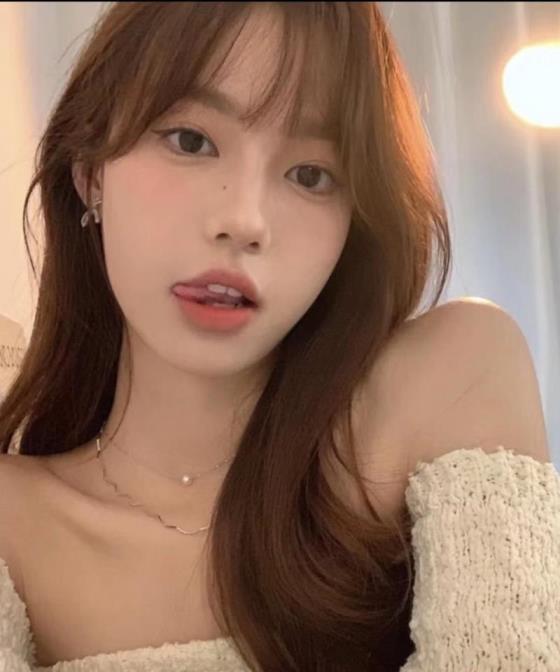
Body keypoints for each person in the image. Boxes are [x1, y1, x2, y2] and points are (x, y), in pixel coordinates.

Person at [0, 2, 558, 671]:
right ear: (91, 171)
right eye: (190, 141)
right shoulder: (14, 523)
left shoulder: (447, 383)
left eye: (311, 175)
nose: (245, 220)